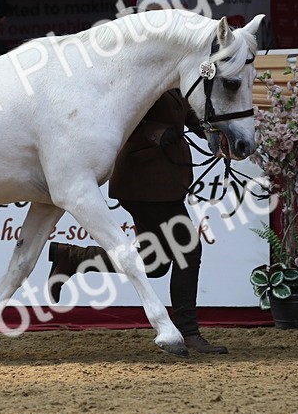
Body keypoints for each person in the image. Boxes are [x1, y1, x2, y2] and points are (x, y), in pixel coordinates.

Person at [46, 89, 228, 354]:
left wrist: (212, 135)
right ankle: (188, 333)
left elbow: (186, 112)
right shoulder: (143, 70)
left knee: (154, 263)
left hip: (162, 181)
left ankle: (73, 257)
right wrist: (155, 131)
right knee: (188, 250)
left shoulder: (173, 75)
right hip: (143, 180)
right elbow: (119, 114)